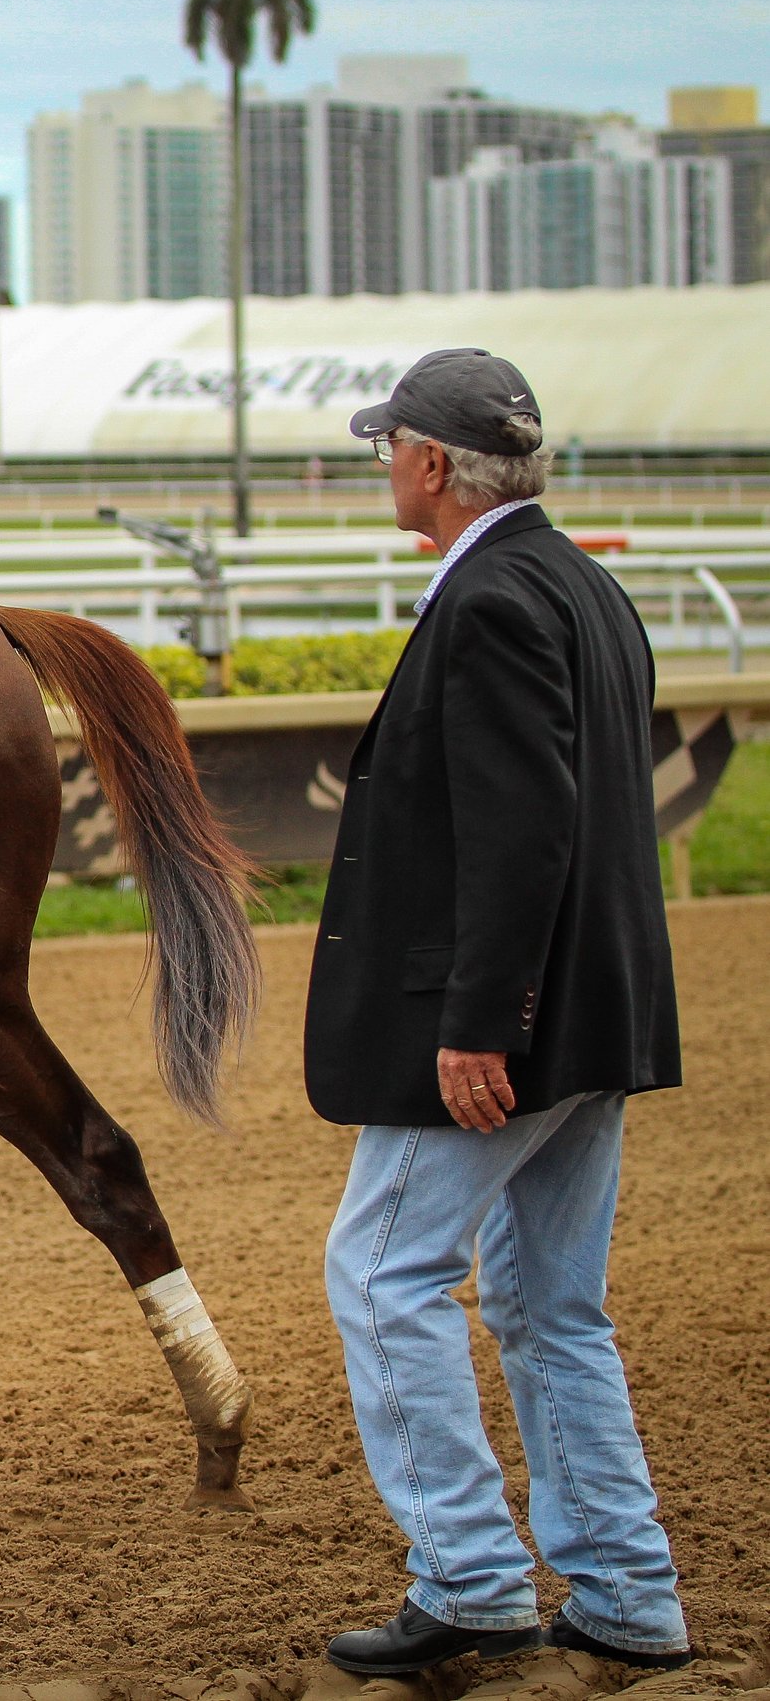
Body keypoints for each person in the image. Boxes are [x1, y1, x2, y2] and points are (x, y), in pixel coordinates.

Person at [310, 350, 688, 1676]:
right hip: (600, 1014)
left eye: (387, 446)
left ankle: (469, 1579)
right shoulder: (587, 584)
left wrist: (480, 1018)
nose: (381, 467)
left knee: (380, 1270)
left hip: (509, 1021)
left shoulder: (490, 601)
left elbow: (523, 833)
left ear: (427, 463)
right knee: (546, 1298)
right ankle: (627, 1588)